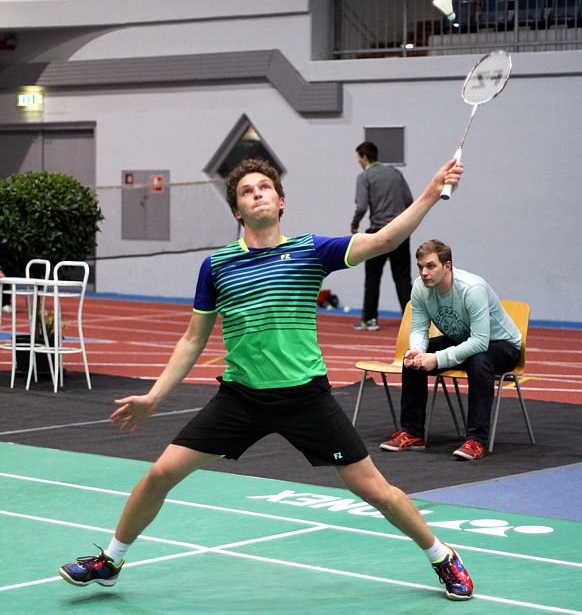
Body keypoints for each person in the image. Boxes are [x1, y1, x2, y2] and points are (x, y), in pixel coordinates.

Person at [59, 158, 474, 601]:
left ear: (281, 202)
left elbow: (385, 238)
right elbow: (192, 338)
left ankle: (442, 556)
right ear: (237, 210)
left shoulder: (311, 251)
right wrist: (156, 396)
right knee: (160, 473)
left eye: (264, 188)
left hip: (305, 398)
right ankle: (111, 560)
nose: (256, 193)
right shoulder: (217, 266)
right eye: (246, 191)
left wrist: (431, 190)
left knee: (376, 491)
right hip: (241, 398)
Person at [380, 239, 522, 461]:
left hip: (502, 346)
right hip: (464, 340)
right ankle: (413, 433)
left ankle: (476, 440)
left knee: (479, 361)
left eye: (430, 266)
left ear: (447, 266)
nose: (424, 273)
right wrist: (418, 351)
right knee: (413, 359)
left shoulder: (472, 289)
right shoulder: (420, 287)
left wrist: (436, 359)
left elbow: (480, 342)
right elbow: (418, 328)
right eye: (420, 267)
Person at [351, 141, 413, 331]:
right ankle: (412, 321)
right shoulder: (395, 173)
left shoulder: (365, 177)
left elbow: (361, 206)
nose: (358, 162)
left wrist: (355, 224)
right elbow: (409, 200)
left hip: (377, 233)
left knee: (373, 277)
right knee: (403, 278)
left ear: (364, 157)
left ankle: (369, 319)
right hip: (400, 231)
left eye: (358, 158)